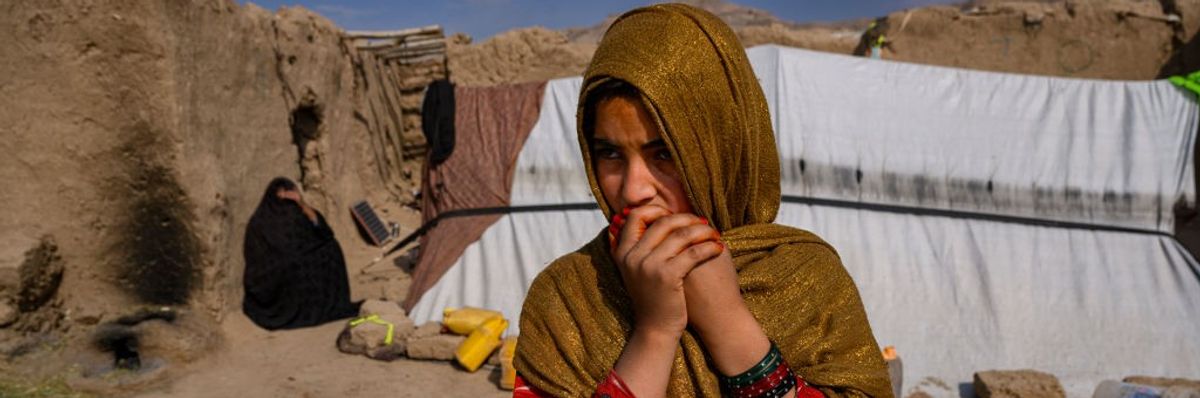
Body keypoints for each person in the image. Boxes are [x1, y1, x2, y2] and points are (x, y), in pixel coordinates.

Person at [513, 4, 893, 398]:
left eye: (665, 154)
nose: (633, 190)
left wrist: (728, 323)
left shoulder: (808, 277)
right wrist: (655, 332)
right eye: (609, 154)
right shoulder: (567, 297)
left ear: (723, 152)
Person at [242, 177, 360, 330]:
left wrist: (301, 203)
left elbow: (323, 231)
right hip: (271, 270)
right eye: (281, 194)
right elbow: (258, 255)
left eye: (289, 192)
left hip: (301, 256)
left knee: (331, 248)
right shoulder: (260, 221)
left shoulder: (297, 211)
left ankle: (323, 304)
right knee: (294, 265)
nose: (285, 199)